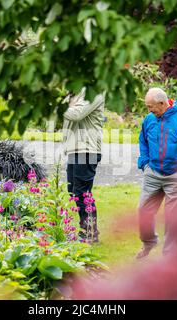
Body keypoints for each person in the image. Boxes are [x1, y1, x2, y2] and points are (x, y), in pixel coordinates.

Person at [136, 88, 177, 259]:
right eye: (147, 106)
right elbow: (142, 140)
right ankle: (149, 242)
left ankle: (169, 256)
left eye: (151, 106)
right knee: (143, 211)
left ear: (162, 103)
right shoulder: (149, 119)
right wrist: (144, 162)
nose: (149, 110)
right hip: (153, 173)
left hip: (176, 175)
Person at [62, 87, 105, 243]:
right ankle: (86, 231)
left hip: (87, 149)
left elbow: (76, 114)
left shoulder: (96, 91)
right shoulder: (76, 92)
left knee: (82, 192)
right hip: (75, 149)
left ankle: (90, 234)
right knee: (73, 191)